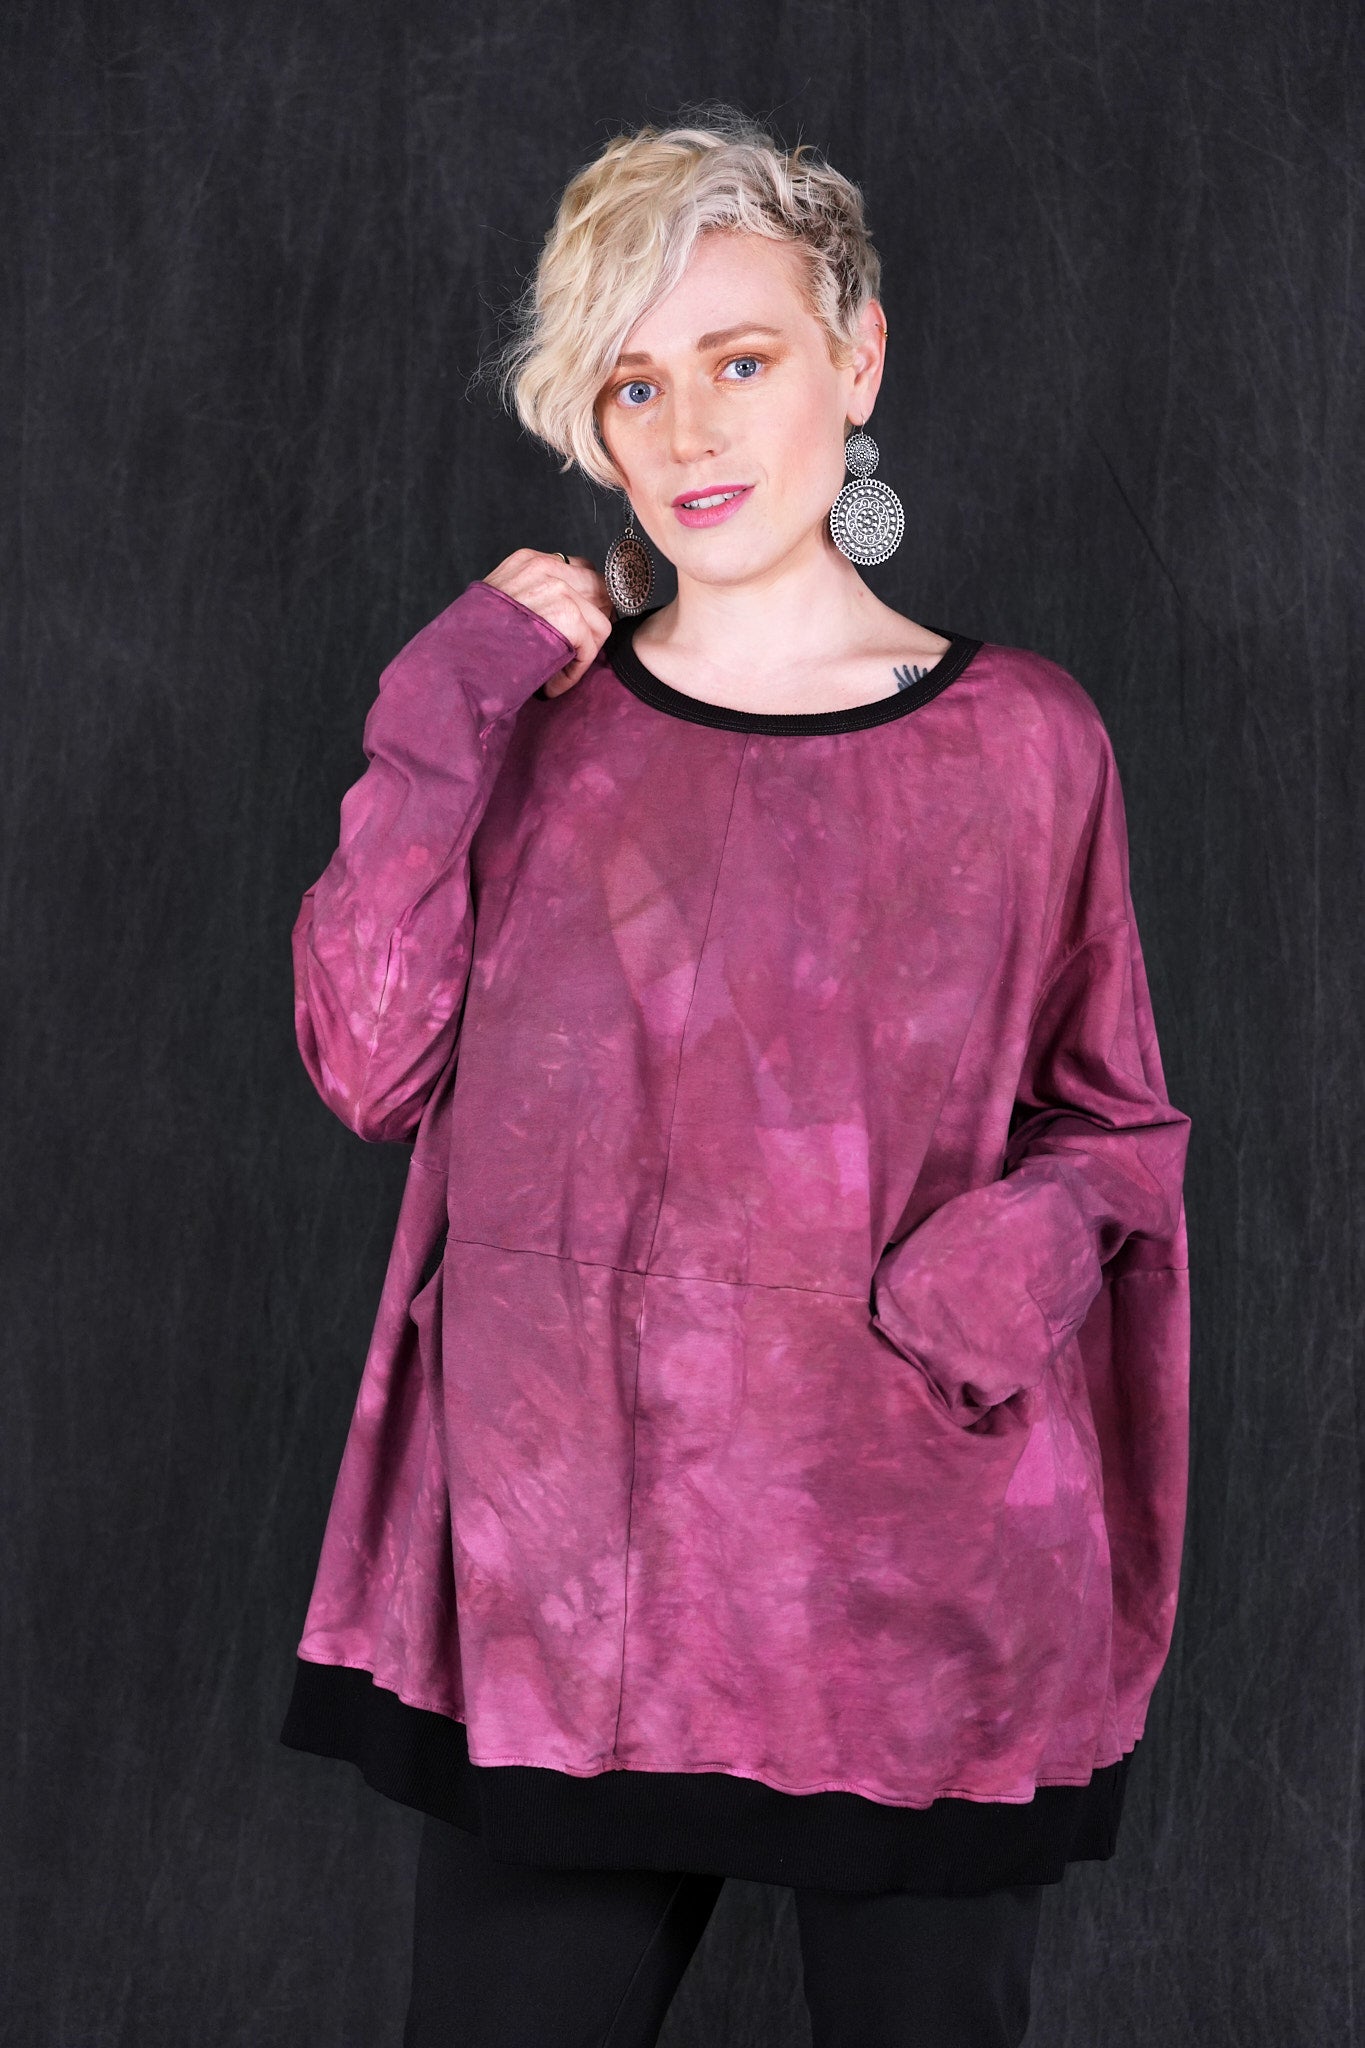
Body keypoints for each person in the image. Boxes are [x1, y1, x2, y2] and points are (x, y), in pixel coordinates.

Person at [279, 106, 1192, 2048]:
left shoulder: (1025, 742)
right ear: (591, 427)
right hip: (574, 1601)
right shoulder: (526, 734)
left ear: (855, 361)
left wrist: (985, 1285)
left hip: (917, 1582)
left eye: (741, 359)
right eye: (634, 383)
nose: (688, 428)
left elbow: (1115, 1124)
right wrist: (438, 708)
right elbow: (367, 1064)